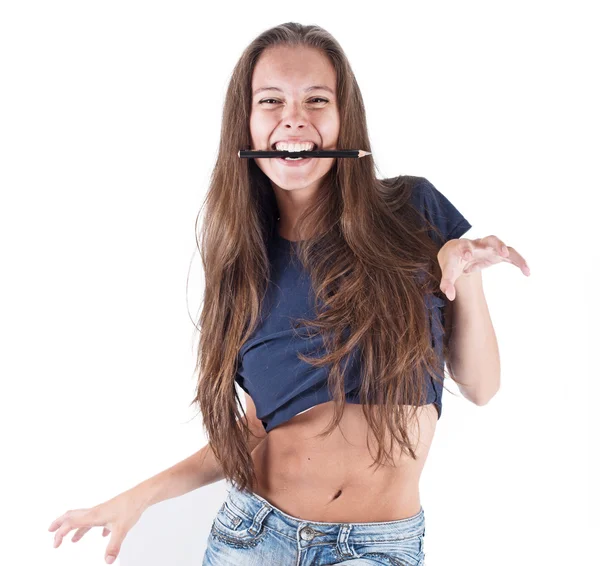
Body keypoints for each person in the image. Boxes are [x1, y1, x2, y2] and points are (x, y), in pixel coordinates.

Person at [48, 22, 530, 566]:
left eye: (316, 99)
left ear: (345, 118)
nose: (293, 117)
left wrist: (466, 275)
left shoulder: (412, 211)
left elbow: (482, 386)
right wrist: (138, 496)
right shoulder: (243, 265)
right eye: (271, 100)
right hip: (255, 538)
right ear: (248, 127)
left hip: (380, 548)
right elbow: (255, 430)